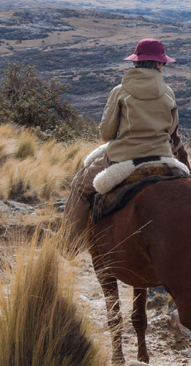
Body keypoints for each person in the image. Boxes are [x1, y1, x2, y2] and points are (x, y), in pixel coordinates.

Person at [65, 38, 180, 237]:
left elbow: (107, 133)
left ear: (136, 62)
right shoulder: (168, 93)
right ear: (159, 64)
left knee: (79, 186)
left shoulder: (119, 92)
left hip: (124, 157)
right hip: (162, 156)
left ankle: (68, 243)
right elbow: (171, 130)